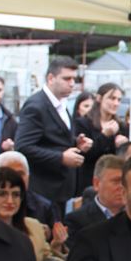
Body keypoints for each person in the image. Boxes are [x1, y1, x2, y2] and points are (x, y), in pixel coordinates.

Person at [16, 57, 91, 214]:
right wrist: (61, 157)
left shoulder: (61, 103)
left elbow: (53, 139)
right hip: (43, 192)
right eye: (67, 78)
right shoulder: (36, 106)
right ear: (51, 78)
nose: (72, 83)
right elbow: (23, 146)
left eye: (74, 79)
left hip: (61, 190)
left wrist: (76, 143)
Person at [74, 83, 129, 188]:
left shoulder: (121, 126)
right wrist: (105, 136)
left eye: (119, 100)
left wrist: (123, 145)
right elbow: (85, 155)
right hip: (90, 181)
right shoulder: (83, 123)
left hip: (115, 181)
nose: (116, 103)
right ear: (99, 98)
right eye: (112, 98)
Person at [0, 151, 62, 235]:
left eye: (20, 174)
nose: (15, 178)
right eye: (9, 173)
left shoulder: (45, 207)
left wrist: (50, 236)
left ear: (28, 176)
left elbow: (58, 237)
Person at [65, 154, 125, 238]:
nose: (122, 187)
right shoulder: (77, 220)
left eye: (124, 182)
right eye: (116, 182)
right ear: (96, 184)